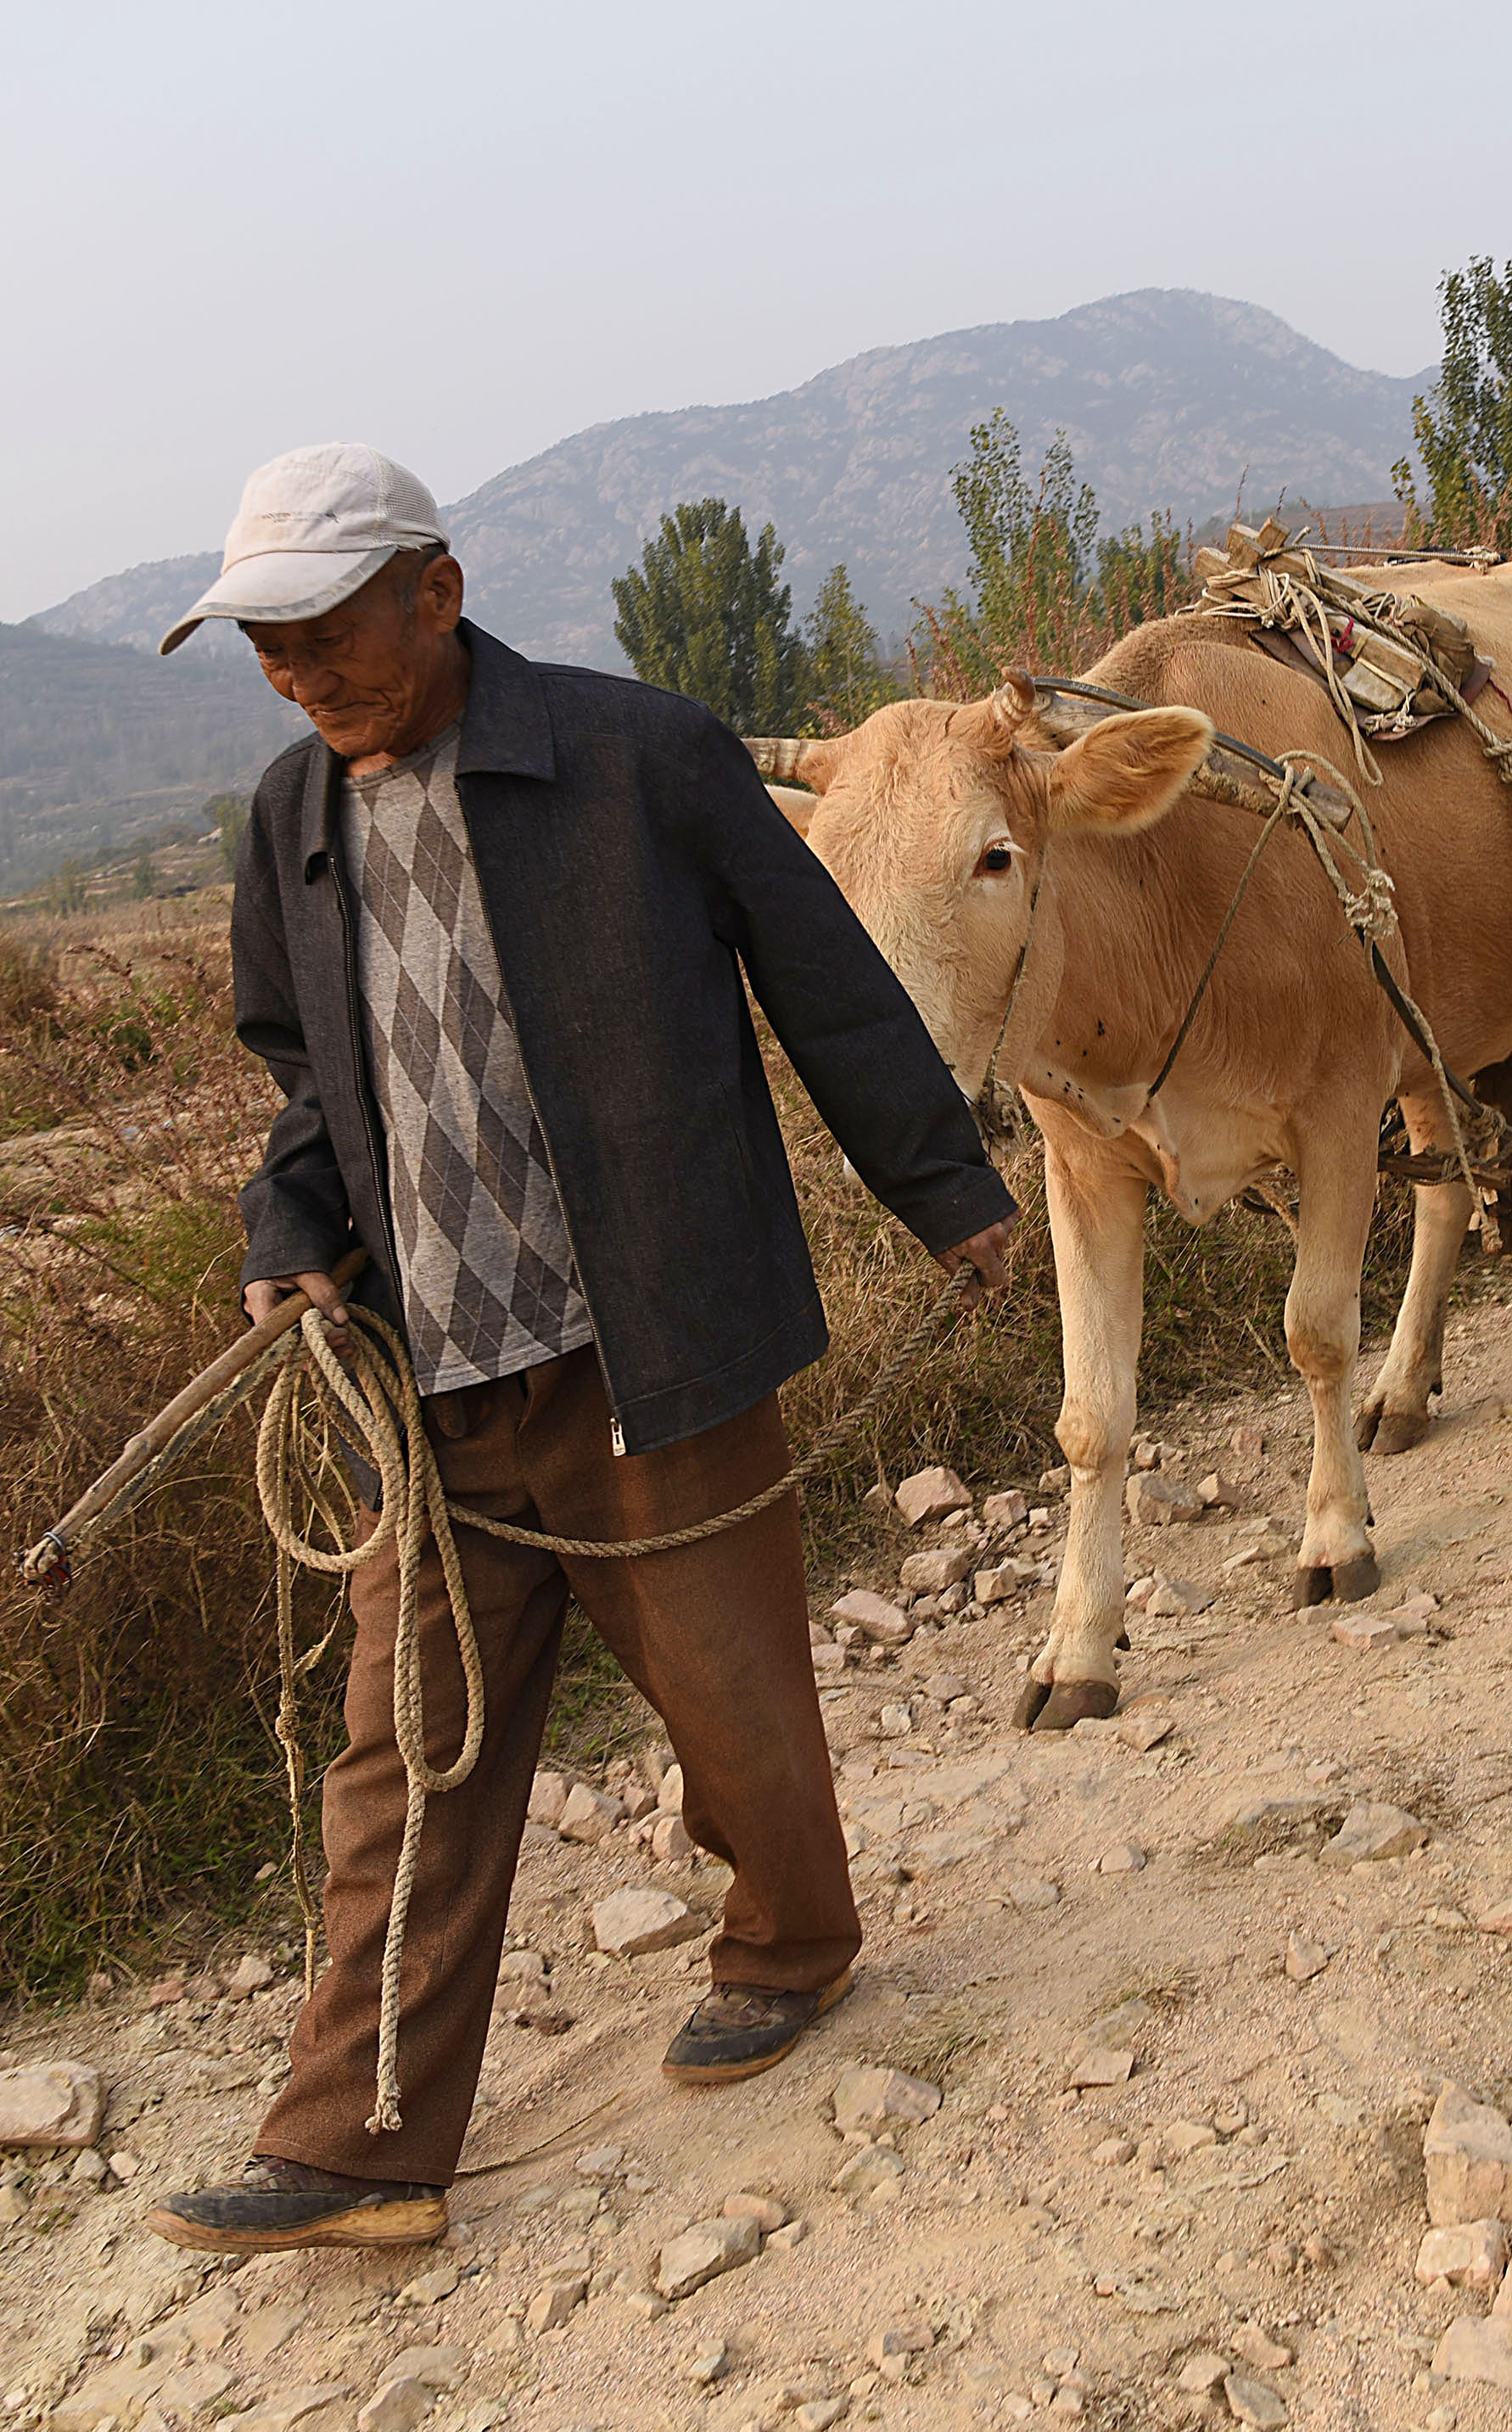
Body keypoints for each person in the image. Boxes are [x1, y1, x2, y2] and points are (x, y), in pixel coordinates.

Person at [142, 445, 1015, 2255]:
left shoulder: (639, 757)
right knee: (405, 1758)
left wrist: (951, 1191)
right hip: (428, 1379)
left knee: (732, 1697)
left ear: (435, 596)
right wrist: (288, 1232)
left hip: (653, 1345)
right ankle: (359, 2144)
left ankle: (791, 1941)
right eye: (265, 647)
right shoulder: (288, 824)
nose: (298, 675)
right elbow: (312, 1082)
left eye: (324, 633)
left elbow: (822, 984)